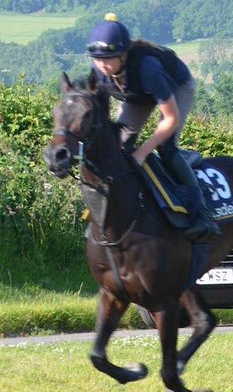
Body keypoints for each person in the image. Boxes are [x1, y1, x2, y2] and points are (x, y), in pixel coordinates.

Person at [85, 13, 221, 241]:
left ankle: (202, 212)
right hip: (137, 95)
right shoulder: (100, 69)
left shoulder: (149, 68)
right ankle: (112, 211)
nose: (102, 65)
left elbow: (171, 119)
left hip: (177, 87)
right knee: (119, 147)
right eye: (97, 59)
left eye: (108, 58)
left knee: (166, 147)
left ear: (124, 54)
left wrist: (143, 152)